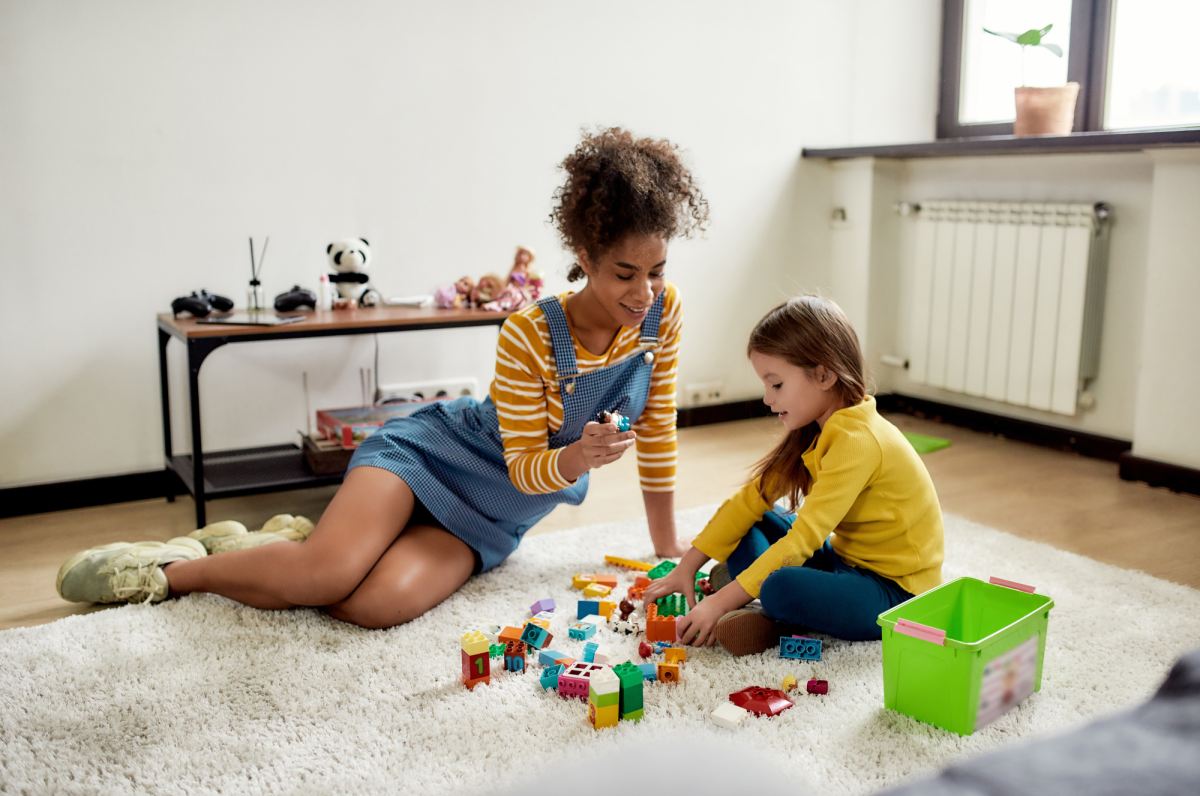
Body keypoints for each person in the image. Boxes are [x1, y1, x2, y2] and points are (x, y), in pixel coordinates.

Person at [56, 127, 708, 629]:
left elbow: (658, 432)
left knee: (364, 606)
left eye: (656, 270)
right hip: (434, 458)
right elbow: (523, 467)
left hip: (487, 521)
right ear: (587, 257)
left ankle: (291, 539)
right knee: (323, 576)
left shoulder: (662, 316)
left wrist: (663, 545)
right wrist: (578, 459)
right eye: (626, 273)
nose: (645, 291)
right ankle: (174, 570)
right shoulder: (530, 332)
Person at [642, 295, 944, 655]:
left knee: (779, 587)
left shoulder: (858, 442)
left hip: (896, 592)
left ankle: (763, 612)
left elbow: (802, 540)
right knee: (751, 520)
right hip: (845, 562)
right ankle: (754, 601)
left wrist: (719, 603)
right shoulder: (820, 426)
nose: (768, 399)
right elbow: (749, 500)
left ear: (824, 374)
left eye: (777, 384)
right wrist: (687, 567)